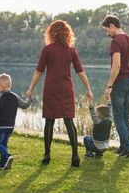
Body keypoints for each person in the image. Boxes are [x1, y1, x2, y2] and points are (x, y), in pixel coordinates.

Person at [26, 20, 93, 167]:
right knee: (69, 121)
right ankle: (75, 156)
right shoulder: (71, 51)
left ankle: (47, 155)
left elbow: (39, 71)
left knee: (49, 121)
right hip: (66, 90)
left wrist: (31, 88)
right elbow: (80, 72)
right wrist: (88, 89)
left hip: (51, 89)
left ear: (51, 33)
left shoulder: (48, 49)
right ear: (67, 34)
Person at [101, 15, 129, 157]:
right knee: (125, 116)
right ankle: (123, 147)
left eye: (107, 30)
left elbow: (116, 65)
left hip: (120, 83)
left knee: (118, 117)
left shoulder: (116, 42)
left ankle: (128, 148)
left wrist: (109, 86)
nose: (107, 33)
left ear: (112, 26)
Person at [0, 72, 32, 170]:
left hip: (0, 127)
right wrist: (29, 100)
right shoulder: (14, 96)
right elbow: (24, 105)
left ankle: (7, 157)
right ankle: (3, 163)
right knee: (4, 144)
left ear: (2, 86)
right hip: (10, 127)